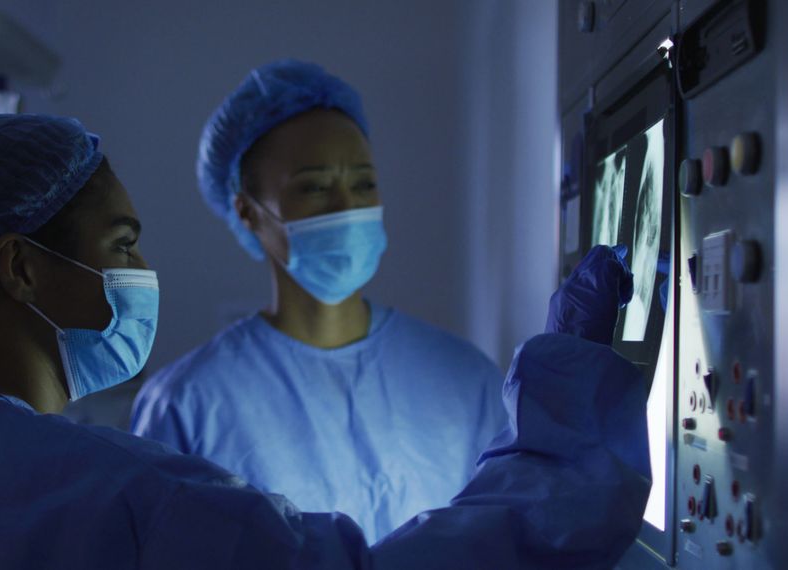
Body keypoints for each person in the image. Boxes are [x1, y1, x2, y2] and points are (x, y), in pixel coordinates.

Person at [0, 114, 648, 569]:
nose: (145, 269)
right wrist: (568, 407)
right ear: (20, 269)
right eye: (121, 243)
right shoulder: (108, 501)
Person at [131, 59, 509, 542]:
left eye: (363, 183)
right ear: (247, 211)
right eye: (313, 187)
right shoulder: (188, 405)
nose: (347, 207)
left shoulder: (466, 380)